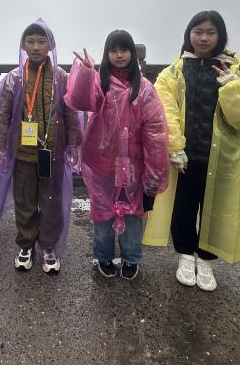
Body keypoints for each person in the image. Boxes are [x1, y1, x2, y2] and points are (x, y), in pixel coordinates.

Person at [0, 20, 82, 274]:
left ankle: (48, 246)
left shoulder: (62, 78)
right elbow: (1, 115)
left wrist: (74, 145)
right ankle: (26, 245)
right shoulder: (13, 78)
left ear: (51, 45)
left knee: (51, 202)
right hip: (23, 154)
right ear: (23, 45)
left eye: (42, 42)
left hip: (52, 153)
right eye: (31, 41)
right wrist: (0, 148)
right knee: (24, 201)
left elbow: (71, 113)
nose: (36, 47)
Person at [144, 11, 240, 292]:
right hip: (185, 157)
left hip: (223, 157)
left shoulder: (234, 70)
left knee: (217, 209)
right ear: (189, 34)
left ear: (220, 36)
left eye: (210, 32)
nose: (204, 38)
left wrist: (231, 87)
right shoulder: (174, 71)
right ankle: (185, 254)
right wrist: (175, 147)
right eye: (198, 31)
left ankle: (207, 258)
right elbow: (164, 110)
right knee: (183, 207)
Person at [65, 30, 168, 280]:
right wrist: (86, 72)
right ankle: (104, 256)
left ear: (132, 53)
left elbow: (155, 132)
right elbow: (80, 101)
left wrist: (154, 173)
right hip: (102, 165)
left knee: (132, 215)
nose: (119, 55)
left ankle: (131, 258)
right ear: (106, 54)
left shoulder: (144, 89)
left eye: (124, 50)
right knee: (103, 214)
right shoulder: (100, 84)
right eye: (113, 50)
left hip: (133, 167)